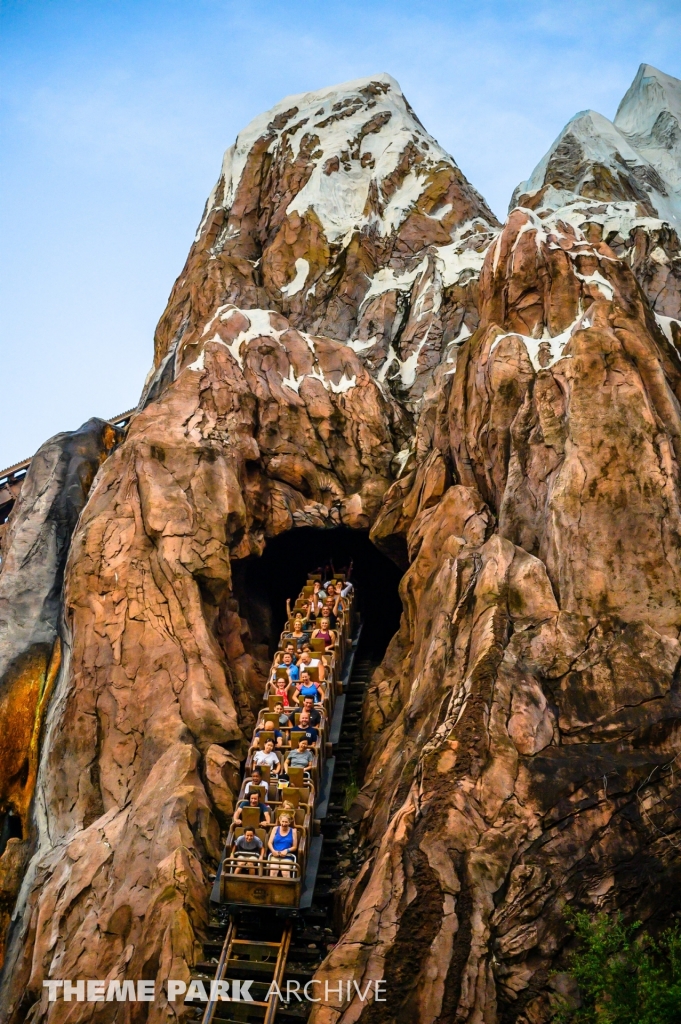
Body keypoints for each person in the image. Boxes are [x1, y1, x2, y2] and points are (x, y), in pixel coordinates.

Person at [268, 814, 298, 878]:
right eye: (283, 821)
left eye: (286, 822)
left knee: (285, 872)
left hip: (287, 856)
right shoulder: (275, 829)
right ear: (280, 821)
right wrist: (273, 851)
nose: (284, 824)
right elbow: (269, 843)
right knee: (273, 871)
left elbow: (295, 847)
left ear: (289, 822)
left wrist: (287, 850)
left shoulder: (293, 831)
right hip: (275, 854)